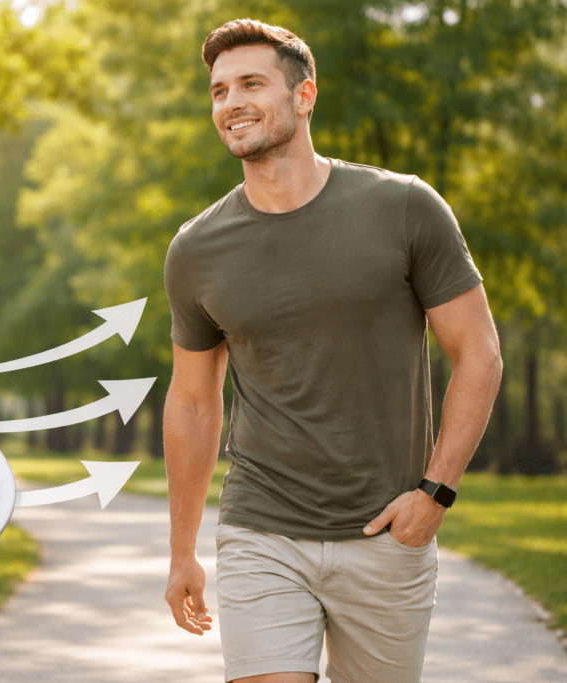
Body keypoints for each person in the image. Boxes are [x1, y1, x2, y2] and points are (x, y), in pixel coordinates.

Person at [162, 18, 503, 683]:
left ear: (304, 95)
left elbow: (480, 351)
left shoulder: (404, 207)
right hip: (261, 529)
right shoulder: (197, 248)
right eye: (218, 90)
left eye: (251, 83)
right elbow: (194, 402)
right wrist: (182, 552)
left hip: (385, 531)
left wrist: (436, 491)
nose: (230, 103)